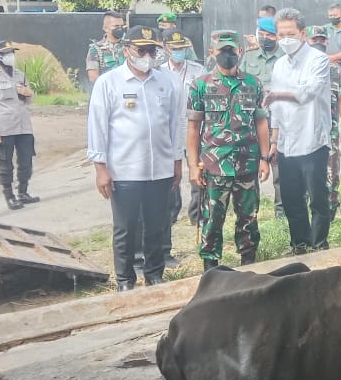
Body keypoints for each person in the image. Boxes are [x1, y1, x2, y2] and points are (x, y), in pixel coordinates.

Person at [87, 25, 183, 291]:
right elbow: (98, 126)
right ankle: (125, 279)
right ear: (126, 49)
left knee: (157, 226)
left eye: (152, 51)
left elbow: (176, 125)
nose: (147, 56)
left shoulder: (166, 81)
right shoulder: (109, 82)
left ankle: (154, 274)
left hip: (160, 169)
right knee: (126, 229)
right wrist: (100, 169)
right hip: (124, 170)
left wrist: (177, 163)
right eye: (141, 51)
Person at [188, 30, 271, 270]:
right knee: (212, 221)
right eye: (222, 51)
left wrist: (265, 158)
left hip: (247, 163)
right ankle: (211, 270)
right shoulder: (200, 85)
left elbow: (261, 122)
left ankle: (248, 264)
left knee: (248, 219)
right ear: (213, 53)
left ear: (240, 51)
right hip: (215, 165)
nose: (227, 55)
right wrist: (193, 165)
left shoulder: (253, 84)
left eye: (231, 50)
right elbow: (193, 128)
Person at [265, 8, 332, 254]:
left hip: (313, 139)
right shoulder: (279, 65)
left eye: (290, 33)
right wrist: (274, 140)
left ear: (302, 33)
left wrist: (277, 95)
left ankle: (319, 244)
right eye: (280, 34)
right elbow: (276, 109)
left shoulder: (318, 60)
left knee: (317, 198)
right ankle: (299, 244)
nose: (285, 39)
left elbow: (309, 93)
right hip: (286, 143)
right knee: (292, 199)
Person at [0, 40, 38, 210]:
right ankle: (10, 196)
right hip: (4, 129)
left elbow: (29, 99)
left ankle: (23, 192)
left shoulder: (20, 74)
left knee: (26, 161)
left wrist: (29, 93)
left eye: (12, 53)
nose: (11, 56)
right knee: (5, 165)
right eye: (7, 53)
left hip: (24, 126)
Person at [305, 25, 341, 222]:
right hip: (303, 136)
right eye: (314, 39)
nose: (318, 43)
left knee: (331, 176)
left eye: (322, 40)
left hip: (329, 134)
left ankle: (330, 212)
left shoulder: (334, 70)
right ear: (306, 41)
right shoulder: (296, 68)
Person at [241, 16, 285, 217]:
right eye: (263, 34)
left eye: (270, 35)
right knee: (252, 166)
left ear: (277, 36)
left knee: (279, 167)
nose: (266, 38)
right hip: (252, 121)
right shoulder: (248, 58)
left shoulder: (285, 58)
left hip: (278, 121)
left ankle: (281, 211)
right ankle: (251, 213)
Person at [163, 28, 205, 231]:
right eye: (174, 48)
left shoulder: (198, 71)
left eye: (182, 48)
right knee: (172, 174)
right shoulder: (160, 72)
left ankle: (197, 214)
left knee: (197, 170)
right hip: (171, 131)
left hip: (194, 129)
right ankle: (171, 212)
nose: (178, 51)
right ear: (165, 48)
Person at [85, 11, 126, 83]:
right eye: (116, 26)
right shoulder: (95, 49)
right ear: (105, 28)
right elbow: (93, 77)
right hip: (107, 90)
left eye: (121, 26)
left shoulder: (128, 46)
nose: (120, 29)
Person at [325, 4, 341, 73]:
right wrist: (327, 58)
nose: (332, 17)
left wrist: (332, 58)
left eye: (335, 15)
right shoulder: (324, 29)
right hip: (328, 67)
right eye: (330, 16)